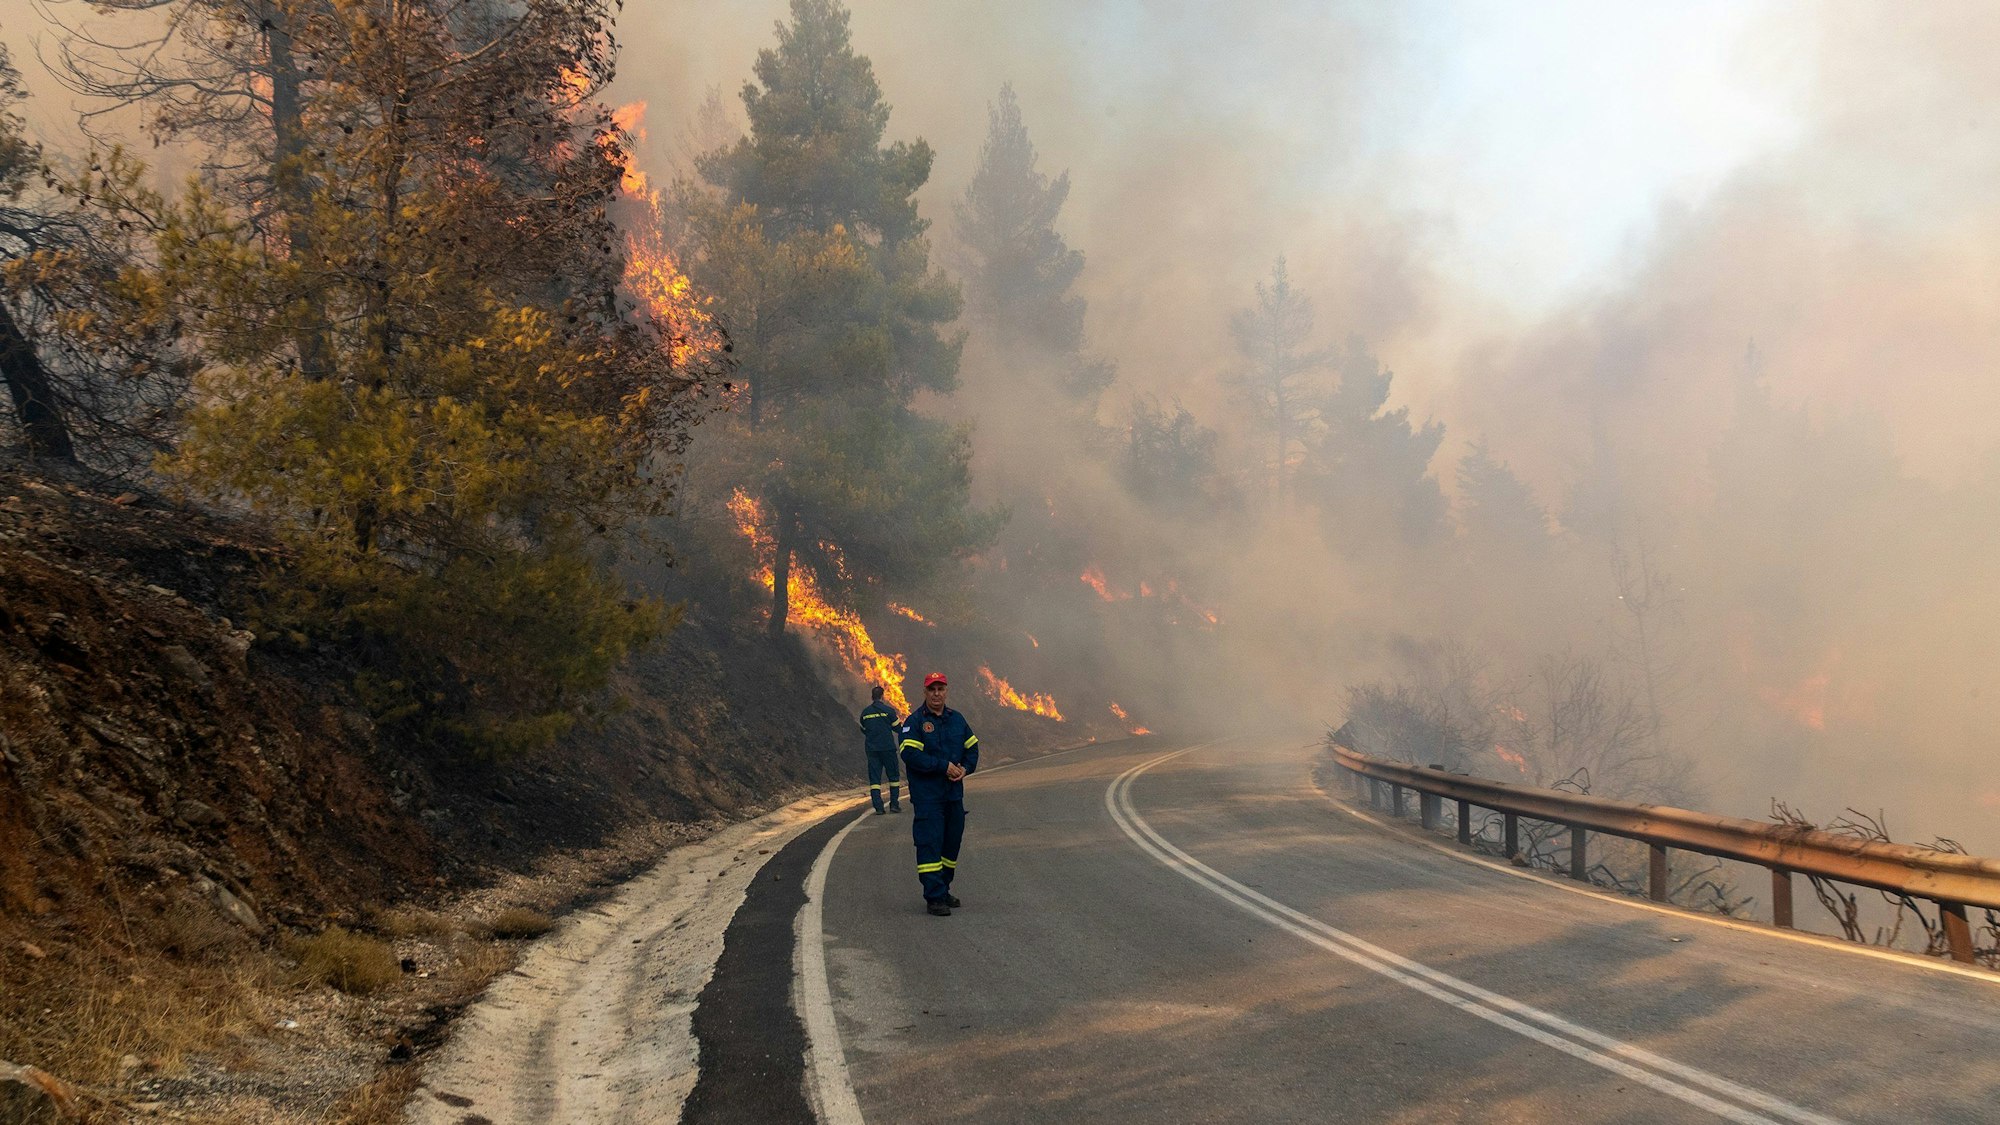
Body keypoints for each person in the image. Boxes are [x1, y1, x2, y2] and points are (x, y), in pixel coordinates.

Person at [899, 671, 979, 916]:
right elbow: (910, 754)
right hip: (928, 797)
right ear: (925, 692)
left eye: (940, 689)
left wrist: (965, 768)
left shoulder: (957, 720)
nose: (936, 694)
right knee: (930, 845)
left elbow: (972, 748)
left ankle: (943, 888)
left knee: (950, 845)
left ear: (946, 691)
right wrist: (942, 766)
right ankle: (934, 897)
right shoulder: (914, 722)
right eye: (932, 689)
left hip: (953, 795)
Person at [858, 685, 902, 815]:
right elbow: (897, 728)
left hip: (872, 750)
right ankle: (894, 804)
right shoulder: (889, 711)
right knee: (893, 777)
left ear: (872, 697)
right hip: (887, 748)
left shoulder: (865, 713)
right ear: (883, 696)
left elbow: (863, 729)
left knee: (875, 780)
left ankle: (878, 807)